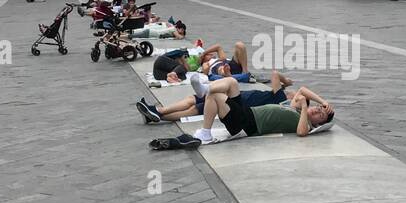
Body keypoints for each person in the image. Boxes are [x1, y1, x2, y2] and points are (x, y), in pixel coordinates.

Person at [193, 76, 332, 143]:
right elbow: (302, 90)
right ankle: (205, 88)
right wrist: (323, 101)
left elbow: (301, 133)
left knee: (215, 96)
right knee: (232, 82)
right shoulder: (296, 110)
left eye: (321, 115)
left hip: (247, 125)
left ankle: (206, 133)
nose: (318, 110)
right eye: (318, 108)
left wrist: (304, 106)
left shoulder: (305, 124)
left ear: (318, 124)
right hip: (247, 112)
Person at [137, 70, 296, 124]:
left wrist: (286, 82)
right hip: (232, 97)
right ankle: (157, 113)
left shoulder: (280, 97)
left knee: (194, 107)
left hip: (235, 101)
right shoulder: (278, 97)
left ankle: (158, 112)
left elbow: (275, 74)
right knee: (193, 104)